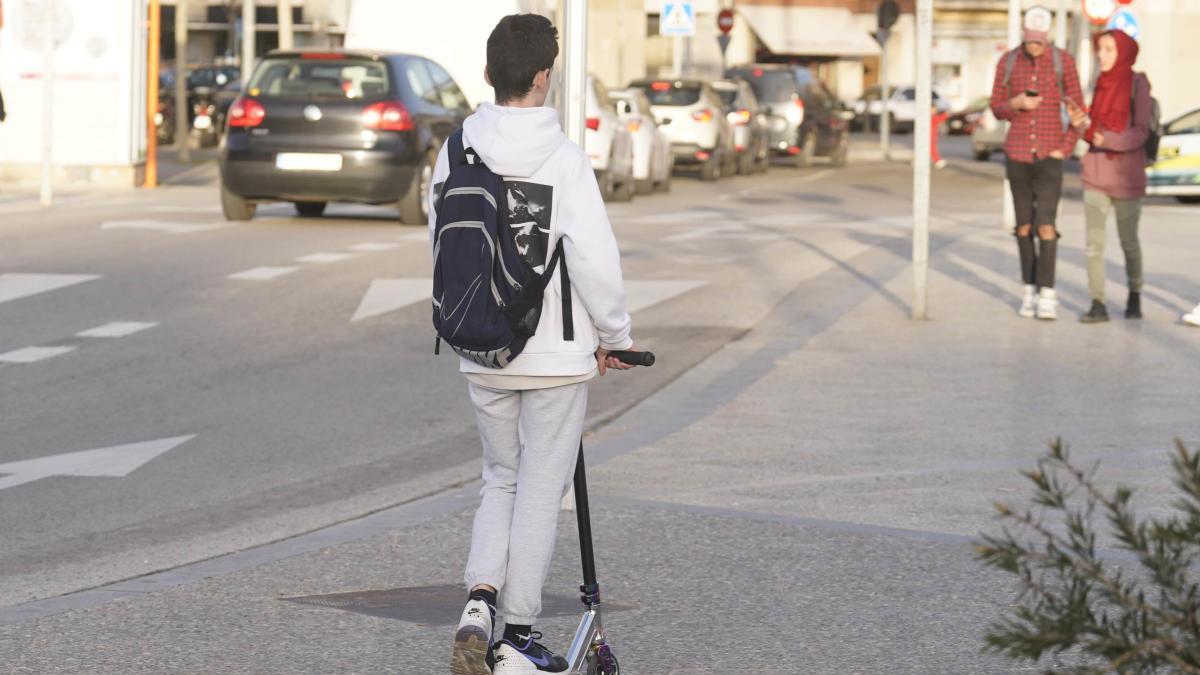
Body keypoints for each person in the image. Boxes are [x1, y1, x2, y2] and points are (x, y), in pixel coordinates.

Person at [430, 14, 636, 675]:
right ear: (544, 77)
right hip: (554, 356)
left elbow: (441, 241)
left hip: (480, 349)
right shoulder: (565, 160)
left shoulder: (457, 147)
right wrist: (615, 336)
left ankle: (478, 602)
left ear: (489, 76)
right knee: (541, 487)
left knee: (500, 478)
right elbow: (597, 261)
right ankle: (517, 636)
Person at [989, 6, 1084, 321]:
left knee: (1046, 225)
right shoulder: (1009, 61)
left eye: (1039, 41)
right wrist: (1015, 104)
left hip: (1049, 156)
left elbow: (1079, 111)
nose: (1034, 46)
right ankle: (1028, 288)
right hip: (1016, 154)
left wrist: (1065, 148)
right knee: (1023, 226)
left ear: (1048, 37)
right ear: (1023, 35)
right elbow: (996, 107)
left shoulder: (1063, 62)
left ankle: (1048, 292)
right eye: (1030, 41)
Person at [1070, 30, 1150, 323]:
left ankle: (1134, 293)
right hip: (1095, 173)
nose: (1100, 55)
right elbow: (1094, 132)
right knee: (1094, 243)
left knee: (1128, 241)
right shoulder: (1100, 83)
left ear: (1123, 53)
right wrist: (1081, 126)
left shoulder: (1137, 84)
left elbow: (1140, 131)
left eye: (1108, 49)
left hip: (1126, 176)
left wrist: (1111, 141)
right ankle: (1097, 302)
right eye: (1099, 49)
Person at [931, 104, 949, 169]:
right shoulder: (931, 116)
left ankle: (916, 161)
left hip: (932, 135)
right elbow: (939, 119)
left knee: (927, 148)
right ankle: (937, 161)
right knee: (932, 148)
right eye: (934, 108)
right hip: (930, 136)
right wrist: (946, 115)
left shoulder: (932, 116)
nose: (936, 110)